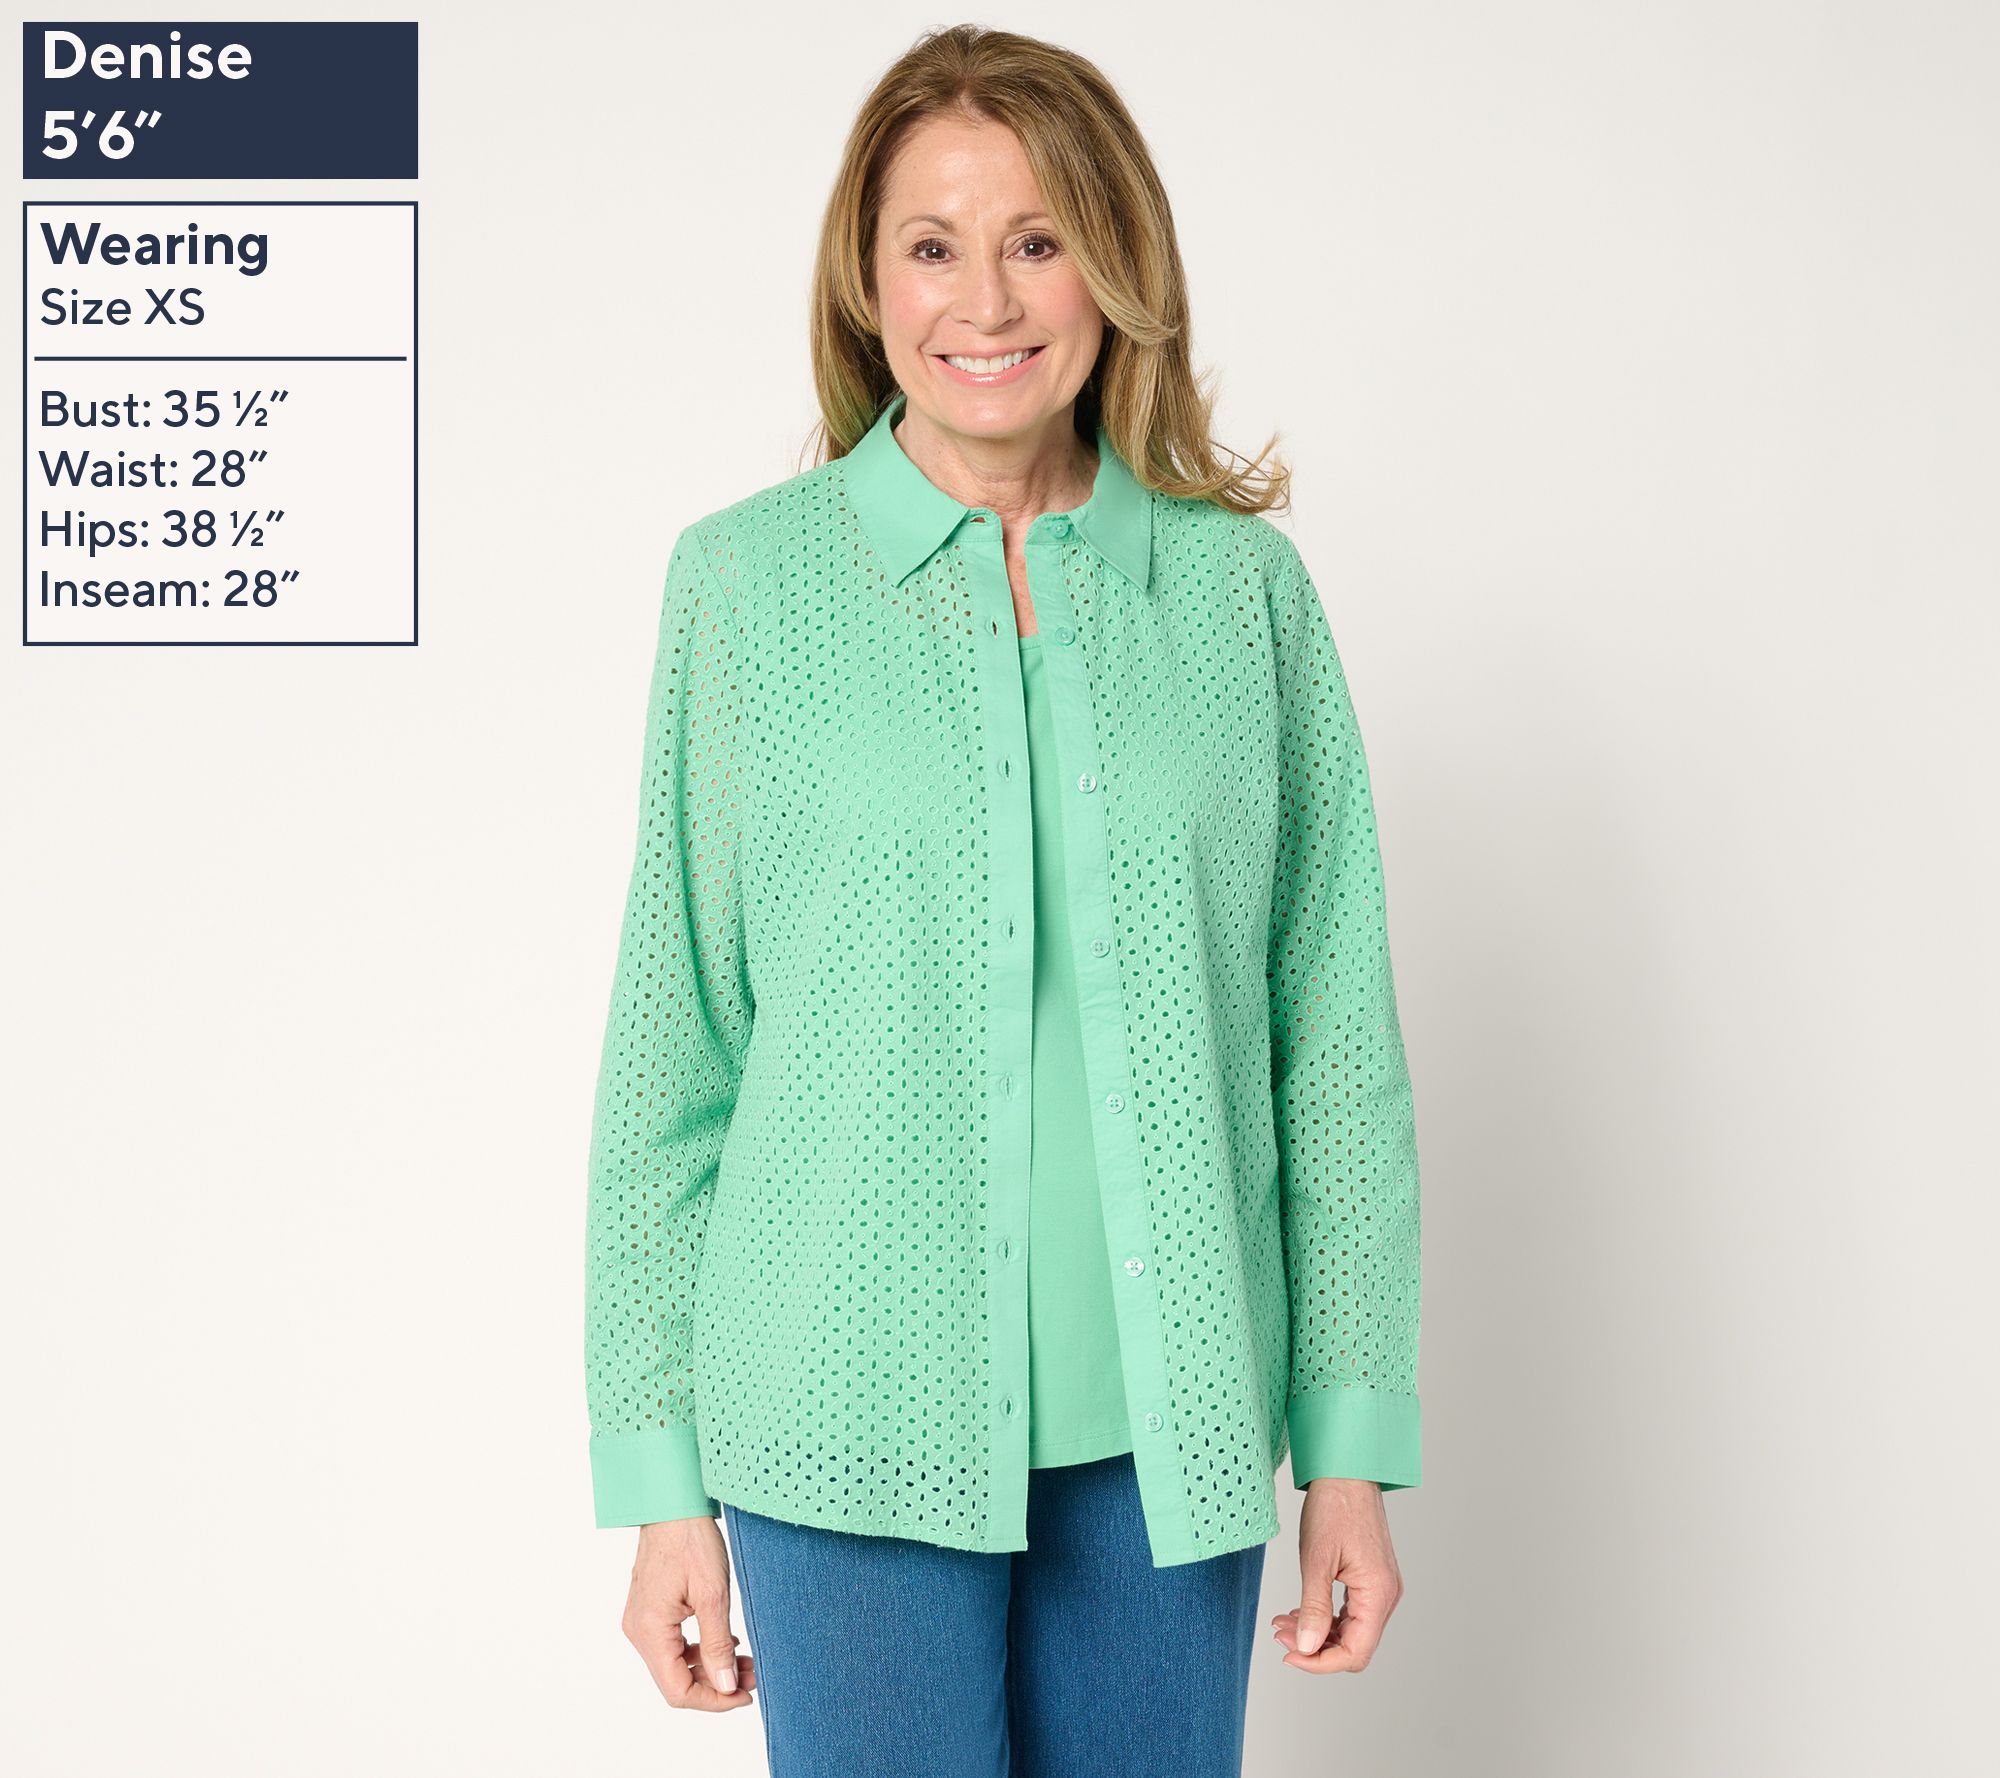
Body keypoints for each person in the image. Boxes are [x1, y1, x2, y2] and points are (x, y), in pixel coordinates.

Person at [584, 24, 1423, 1776]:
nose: (986, 299)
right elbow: (678, 1053)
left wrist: (1349, 1445)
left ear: (1116, 266)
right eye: (933, 244)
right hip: (837, 1422)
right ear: (866, 281)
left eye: (1038, 240)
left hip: (1174, 1436)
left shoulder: (1243, 598)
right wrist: (661, 1482)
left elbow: (1334, 1051)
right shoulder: (745, 589)